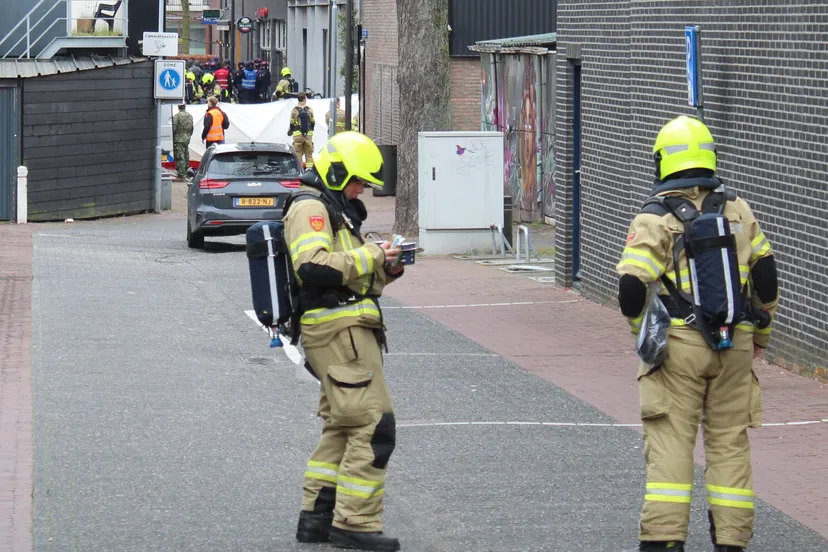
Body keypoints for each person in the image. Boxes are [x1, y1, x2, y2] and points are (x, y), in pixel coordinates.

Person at [616, 115, 778, 552]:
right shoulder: (739, 210)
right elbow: (766, 278)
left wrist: (645, 336)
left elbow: (632, 288)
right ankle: (731, 543)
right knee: (729, 445)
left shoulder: (654, 218)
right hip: (736, 345)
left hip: (679, 350)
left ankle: (664, 542)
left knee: (671, 443)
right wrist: (759, 337)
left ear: (662, 161)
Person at [283, 131, 404, 552]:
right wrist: (371, 255)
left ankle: (316, 519)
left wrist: (387, 267)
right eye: (358, 180)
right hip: (338, 332)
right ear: (336, 171)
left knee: (343, 425)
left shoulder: (335, 210)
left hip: (345, 329)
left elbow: (350, 275)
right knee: (375, 425)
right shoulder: (312, 208)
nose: (361, 190)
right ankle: (356, 523)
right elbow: (313, 269)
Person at [290, 93, 315, 168]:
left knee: (298, 154)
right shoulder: (309, 110)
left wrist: (291, 130)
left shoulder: (294, 110)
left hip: (297, 135)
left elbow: (291, 123)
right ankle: (309, 170)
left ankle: (300, 171)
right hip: (308, 135)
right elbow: (313, 122)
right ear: (304, 99)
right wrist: (311, 129)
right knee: (309, 154)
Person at [171, 104, 194, 180]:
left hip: (178, 139)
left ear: (178, 107)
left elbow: (173, 128)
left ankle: (181, 174)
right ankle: (186, 171)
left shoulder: (177, 116)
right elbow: (191, 128)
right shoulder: (190, 116)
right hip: (187, 138)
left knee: (179, 156)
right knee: (185, 155)